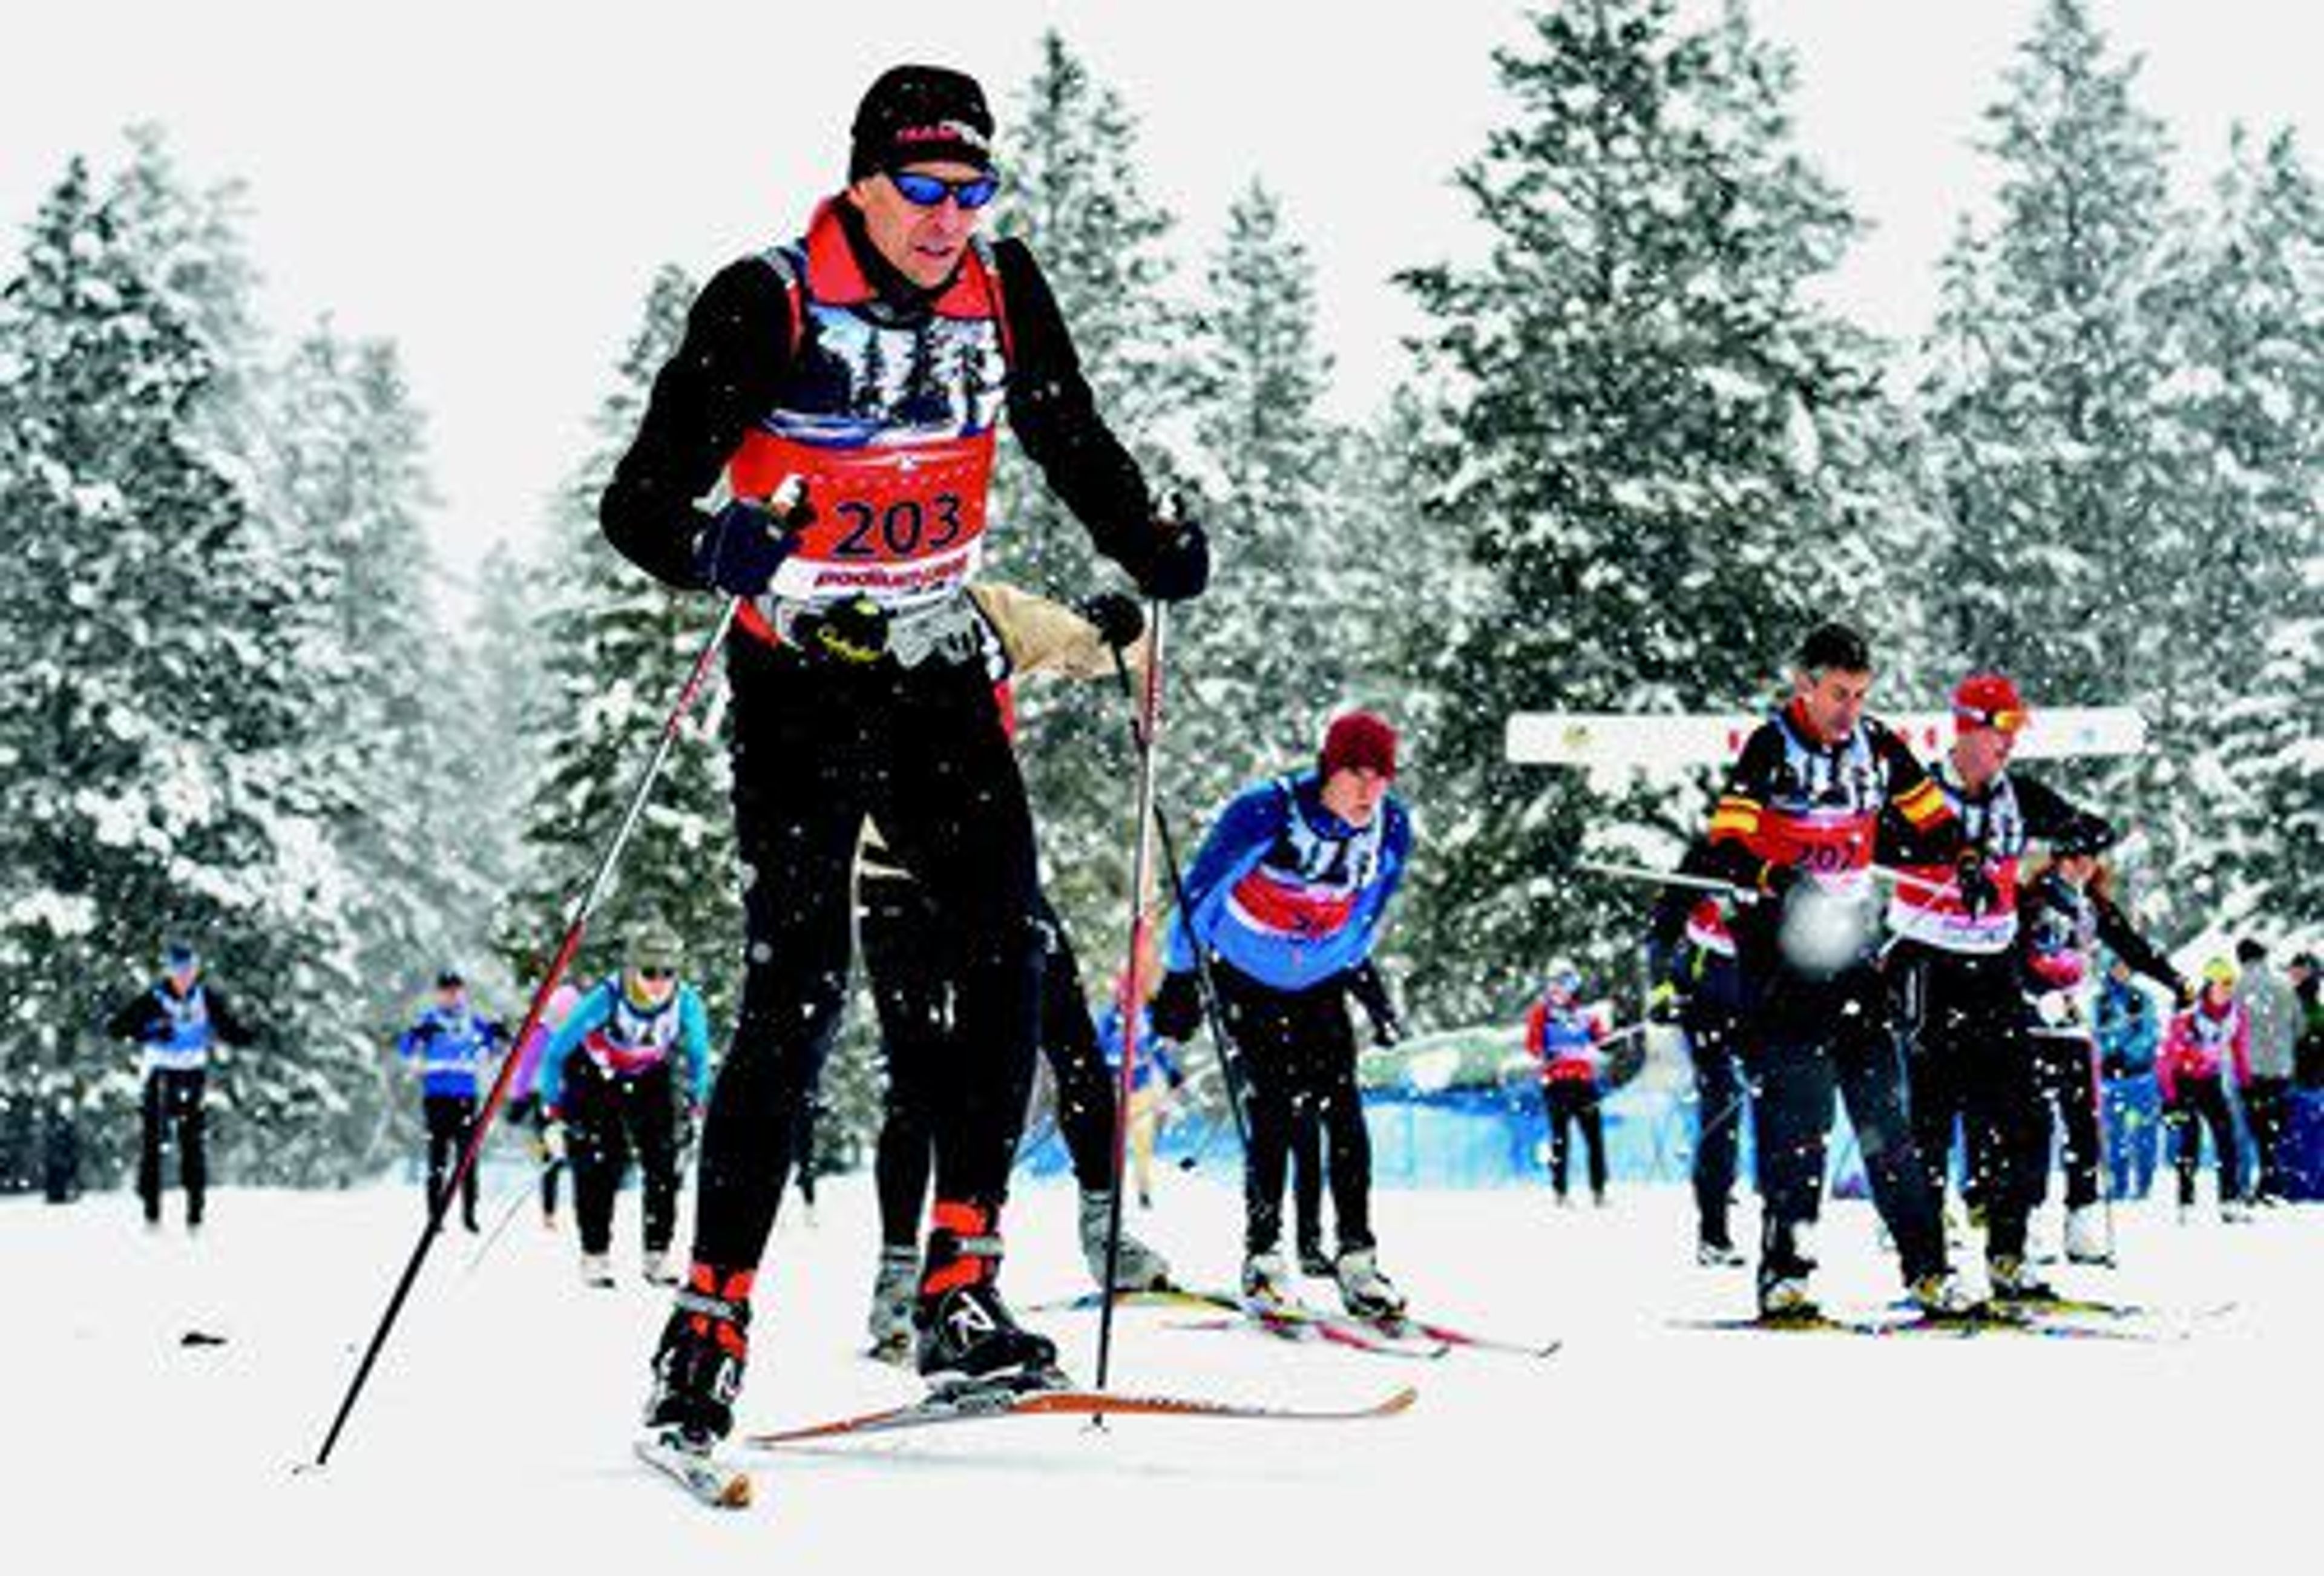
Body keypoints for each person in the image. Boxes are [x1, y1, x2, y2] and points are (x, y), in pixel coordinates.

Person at [599, 62, 1208, 1453]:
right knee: (797, 987)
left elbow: (1064, 433)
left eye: (971, 189)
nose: (948, 218)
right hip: (800, 675)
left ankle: (958, 1284)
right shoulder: (768, 299)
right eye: (923, 190)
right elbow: (635, 503)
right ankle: (707, 1325)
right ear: (862, 181)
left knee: (1011, 956)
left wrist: (1145, 546)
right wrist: (710, 548)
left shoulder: (1001, 287)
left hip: (940, 666)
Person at [855, 585, 1174, 1364]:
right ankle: (900, 1281)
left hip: (990, 879)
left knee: (1069, 1043)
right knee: (919, 1083)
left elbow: (1089, 649)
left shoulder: (978, 614)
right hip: (893, 886)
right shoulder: (842, 626)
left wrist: (1127, 630)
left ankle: (1106, 1234)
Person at [1694, 623, 1975, 1319]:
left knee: (1886, 1119)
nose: (1849, 709)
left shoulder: (1877, 746)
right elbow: (1724, 845)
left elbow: (1931, 817)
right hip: (1784, 962)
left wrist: (1961, 859)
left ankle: (1928, 1269)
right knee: (1800, 1123)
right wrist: (1774, 876)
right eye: (1838, 694)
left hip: (1851, 955)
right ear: (1805, 687)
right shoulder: (1771, 747)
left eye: (1860, 694)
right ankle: (1785, 1272)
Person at [1879, 671, 2142, 1297]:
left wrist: (2072, 842)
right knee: (1932, 1121)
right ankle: (1927, 1266)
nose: (2009, 746)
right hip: (1928, 964)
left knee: (2022, 1115)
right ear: (1967, 728)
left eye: (2015, 734)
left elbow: (2092, 829)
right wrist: (1949, 858)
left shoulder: (2017, 795)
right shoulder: (1920, 793)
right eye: (2002, 733)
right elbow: (1880, 842)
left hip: (1994, 971)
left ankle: (2009, 1252)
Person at [1152, 709, 1412, 1318]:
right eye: (1356, 773)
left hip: (1320, 979)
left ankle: (1357, 1259)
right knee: (1272, 1109)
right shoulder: (1264, 811)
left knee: (1343, 1110)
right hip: (1246, 974)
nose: (1369, 791)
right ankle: (1264, 1255)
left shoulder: (1392, 829)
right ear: (1328, 769)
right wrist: (1181, 976)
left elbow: (1368, 914)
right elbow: (1200, 894)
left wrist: (1365, 988)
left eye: (1382, 777)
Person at [2013, 835, 2184, 1261]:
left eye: (2089, 859)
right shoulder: (2030, 901)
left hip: (2073, 1028)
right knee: (2033, 1129)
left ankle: (2082, 1224)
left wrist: (2175, 981)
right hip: (2031, 1026)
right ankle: (2025, 1225)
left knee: (2084, 1130)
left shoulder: (2093, 907)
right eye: (2073, 859)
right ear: (2056, 860)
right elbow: (2007, 952)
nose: (2082, 867)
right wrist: (2035, 993)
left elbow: (2134, 949)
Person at [539, 925, 713, 1287]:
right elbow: (555, 1053)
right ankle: (595, 1255)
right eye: (650, 972)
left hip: (648, 1073)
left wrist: (699, 1099)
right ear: (633, 969)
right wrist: (553, 1107)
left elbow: (699, 1057)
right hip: (595, 1075)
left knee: (663, 1163)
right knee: (602, 1163)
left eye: (669, 973)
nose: (659, 982)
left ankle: (657, 1255)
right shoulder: (607, 997)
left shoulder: (687, 1002)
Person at [1646, 842, 1750, 1265]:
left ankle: (1789, 1240)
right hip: (1705, 1002)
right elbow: (1663, 925)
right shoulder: (1709, 851)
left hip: (1761, 995)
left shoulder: (1793, 840)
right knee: (1721, 1108)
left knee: (1785, 1111)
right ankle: (1714, 1232)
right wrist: (1664, 987)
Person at [105, 939, 254, 1232]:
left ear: (196, 971)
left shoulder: (204, 998)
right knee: (154, 1145)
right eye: (179, 970)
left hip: (191, 1075)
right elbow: (117, 1028)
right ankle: (152, 1215)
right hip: (159, 1074)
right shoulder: (156, 998)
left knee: (192, 1145)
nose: (184, 976)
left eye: (189, 970)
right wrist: (150, 1030)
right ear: (170, 971)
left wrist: (249, 1036)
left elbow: (229, 1028)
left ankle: (195, 1217)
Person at [393, 968, 510, 1233]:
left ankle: (469, 1214)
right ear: (438, 994)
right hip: (437, 1098)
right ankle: (435, 1217)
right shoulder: (430, 1019)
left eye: (456, 991)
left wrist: (499, 1033)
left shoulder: (472, 1021)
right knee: (438, 1159)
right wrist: (417, 1034)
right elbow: (405, 1048)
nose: (452, 997)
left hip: (466, 1098)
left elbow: (497, 1044)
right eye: (446, 992)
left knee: (468, 1158)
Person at [2158, 957, 2253, 1221]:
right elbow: (2166, 1061)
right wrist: (2170, 1098)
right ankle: (2185, 1203)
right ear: (2208, 985)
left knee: (2227, 1139)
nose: (2226, 990)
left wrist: (2247, 1085)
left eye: (2230, 984)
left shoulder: (2236, 1016)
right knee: (2191, 1141)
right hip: (2183, 1082)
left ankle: (2230, 1201)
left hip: (2211, 1081)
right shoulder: (2188, 1018)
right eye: (2221, 984)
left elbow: (2239, 1052)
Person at [1524, 963, 1610, 1207]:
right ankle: (1560, 1192)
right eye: (1556, 983)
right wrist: (1546, 1053)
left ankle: (1599, 1191)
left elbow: (1600, 1039)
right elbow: (1533, 1044)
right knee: (1560, 1140)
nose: (1559, 989)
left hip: (1584, 1084)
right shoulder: (1543, 1013)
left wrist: (1605, 1041)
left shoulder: (1584, 1014)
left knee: (1594, 1140)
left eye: (1566, 983)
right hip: (1557, 1084)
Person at [505, 976, 583, 1230]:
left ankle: (583, 1209)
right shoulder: (541, 1034)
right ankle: (549, 1214)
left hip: (575, 1102)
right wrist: (518, 1100)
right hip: (546, 1102)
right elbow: (525, 1069)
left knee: (581, 1156)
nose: (565, 1020)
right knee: (551, 1157)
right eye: (562, 1014)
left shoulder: (582, 1035)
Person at [2234, 937, 2300, 1204]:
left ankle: (2249, 1184)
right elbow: (2299, 1026)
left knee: (2251, 1129)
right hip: (2281, 1069)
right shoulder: (2284, 987)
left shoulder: (2237, 988)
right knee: (2276, 1129)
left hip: (2250, 1071)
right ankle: (2273, 1182)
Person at [2095, 956, 2164, 1202]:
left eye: (2126, 967)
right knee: (2114, 1136)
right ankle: (2118, 1184)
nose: (2121, 972)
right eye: (2117, 967)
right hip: (2111, 1080)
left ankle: (2144, 1184)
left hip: (2140, 1076)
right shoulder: (2100, 1001)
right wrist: (2107, 1052)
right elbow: (2094, 1034)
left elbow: (2151, 1031)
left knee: (2145, 1133)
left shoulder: (2142, 998)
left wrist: (2126, 1052)